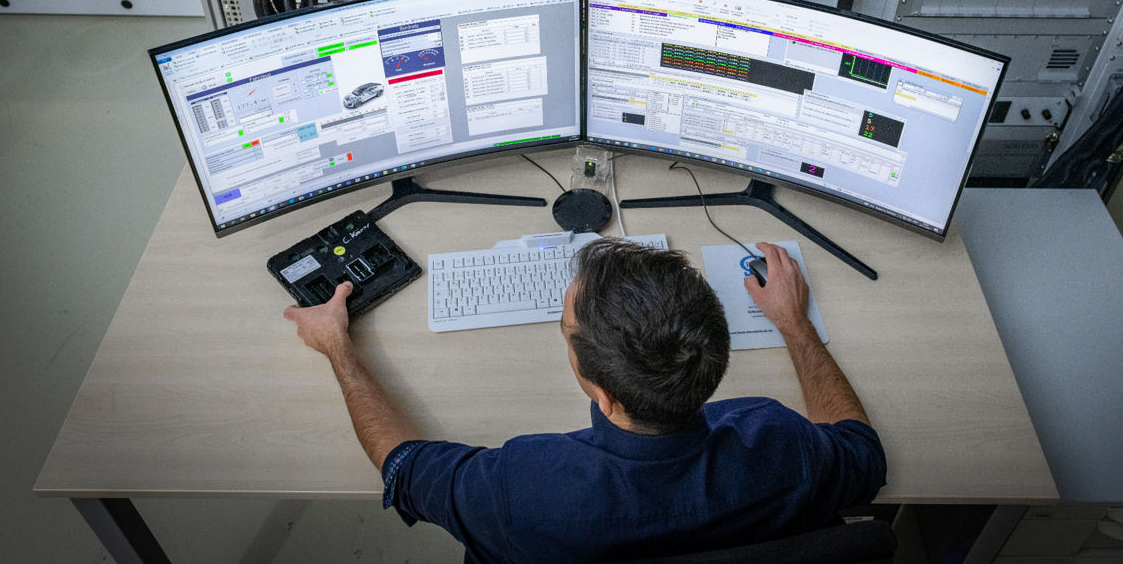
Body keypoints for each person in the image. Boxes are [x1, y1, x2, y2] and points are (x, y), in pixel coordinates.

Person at [285, 239, 886, 563]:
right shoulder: (779, 441)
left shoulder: (521, 489)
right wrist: (795, 324)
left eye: (566, 329)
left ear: (599, 389)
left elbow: (402, 463)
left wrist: (339, 347)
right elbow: (864, 452)